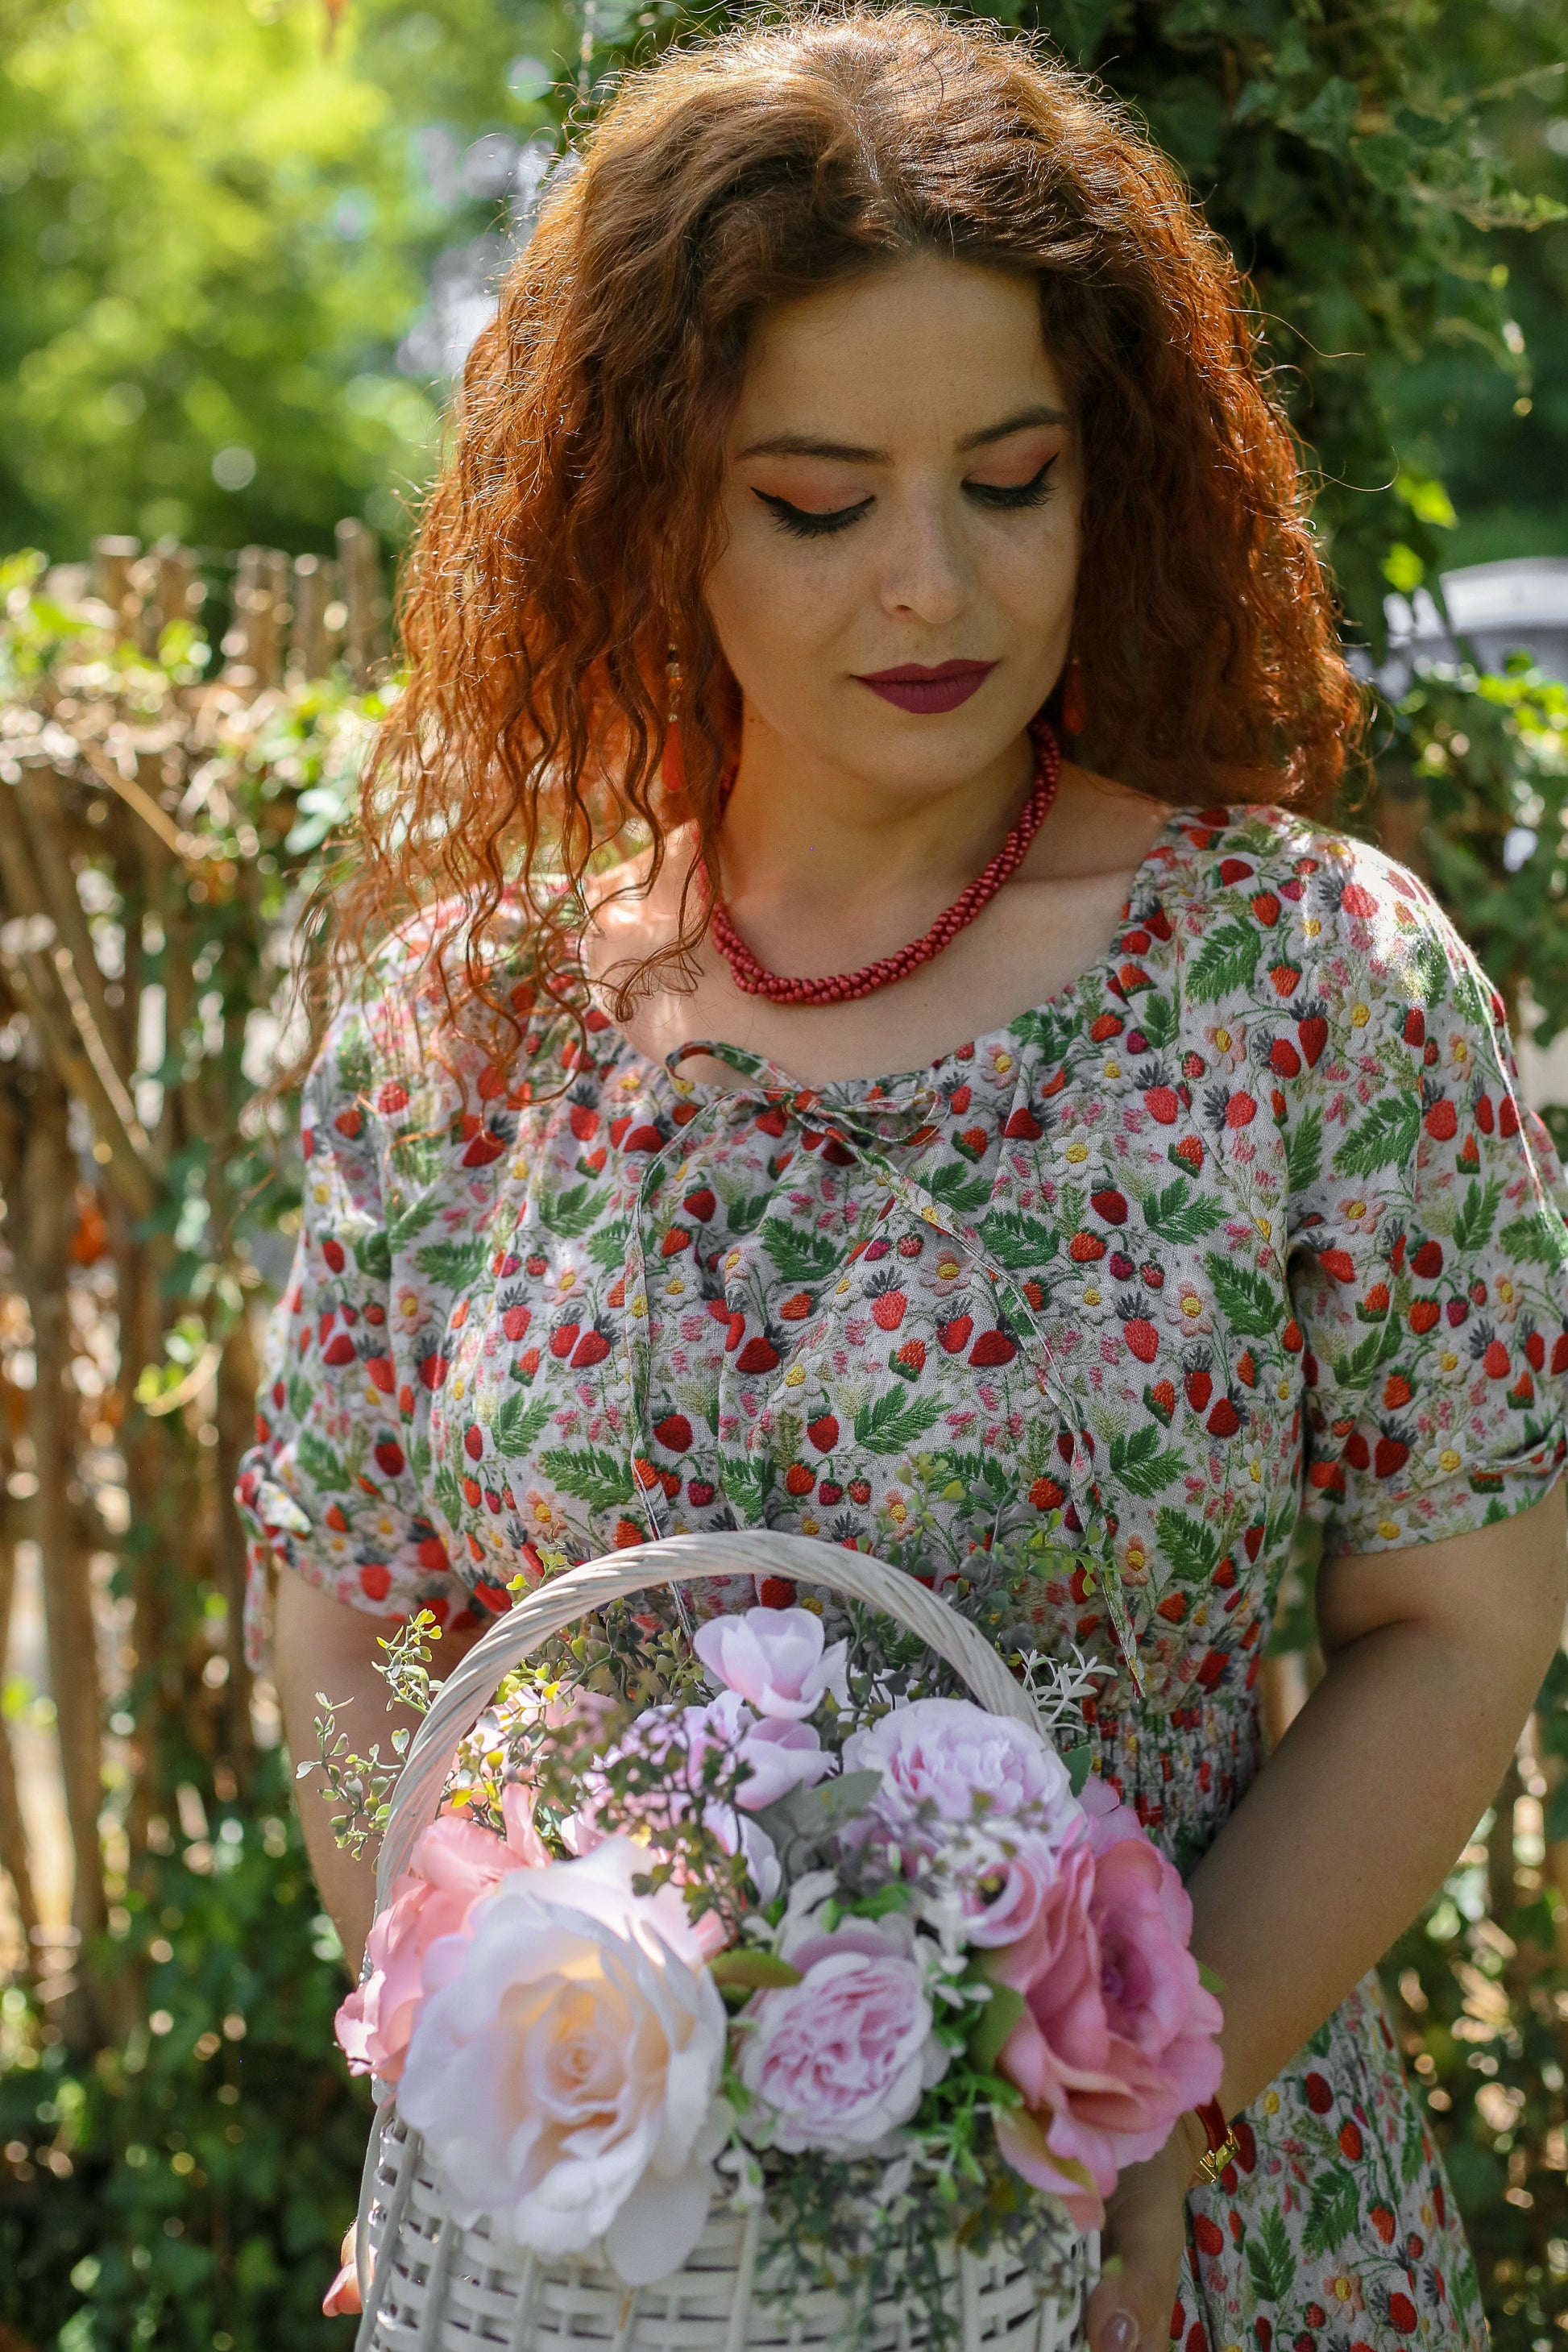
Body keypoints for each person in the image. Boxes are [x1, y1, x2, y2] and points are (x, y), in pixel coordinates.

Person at [237, 10, 1568, 2346]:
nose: (932, 585)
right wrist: (500, 2091)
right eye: (820, 500)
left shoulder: (1302, 982)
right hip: (613, 2287)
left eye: (1015, 476)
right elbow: (348, 1607)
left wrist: (1143, 2116)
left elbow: (1453, 1625)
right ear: (645, 497)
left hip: (1176, 2247)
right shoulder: (468, 1027)